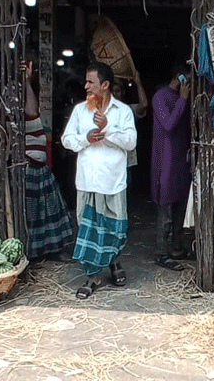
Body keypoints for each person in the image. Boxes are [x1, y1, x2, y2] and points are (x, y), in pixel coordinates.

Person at [62, 61, 137, 299]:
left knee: (115, 231)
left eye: (91, 82)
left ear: (105, 85)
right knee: (87, 232)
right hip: (86, 182)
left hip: (112, 183)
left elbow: (131, 142)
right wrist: (85, 138)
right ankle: (92, 277)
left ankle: (113, 261)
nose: (86, 86)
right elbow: (66, 140)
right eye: (86, 81)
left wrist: (108, 130)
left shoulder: (122, 112)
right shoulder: (79, 111)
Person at [21, 60, 74, 261]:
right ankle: (35, 254)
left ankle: (55, 251)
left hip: (41, 170)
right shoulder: (22, 116)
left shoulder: (30, 118)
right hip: (29, 171)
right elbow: (32, 109)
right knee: (34, 217)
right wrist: (26, 81)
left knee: (51, 211)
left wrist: (27, 81)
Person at [150, 60, 192, 271]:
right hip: (164, 160)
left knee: (180, 208)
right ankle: (161, 252)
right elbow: (168, 124)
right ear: (180, 77)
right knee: (165, 208)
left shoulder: (184, 99)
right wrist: (183, 100)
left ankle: (176, 248)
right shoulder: (160, 97)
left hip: (180, 161)